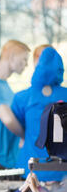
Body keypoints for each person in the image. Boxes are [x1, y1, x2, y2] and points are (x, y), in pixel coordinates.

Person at [11, 46, 67, 182]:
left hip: (31, 172)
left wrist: (23, 136)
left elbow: (17, 124)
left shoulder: (22, 98)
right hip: (62, 173)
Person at [0, 40, 29, 168]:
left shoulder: (3, 84)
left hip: (16, 157)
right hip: (7, 160)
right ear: (12, 56)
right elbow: (7, 119)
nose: (26, 64)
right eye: (24, 59)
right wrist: (26, 136)